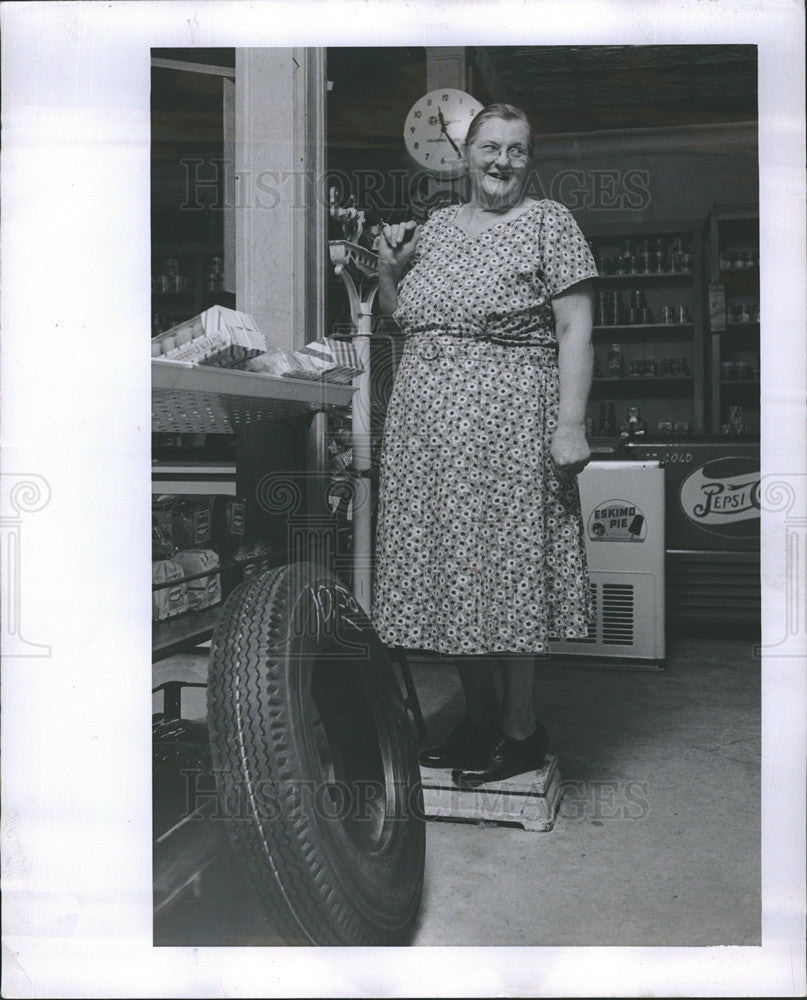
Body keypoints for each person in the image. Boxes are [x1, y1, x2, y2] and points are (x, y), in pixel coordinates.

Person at [372, 103, 597, 787]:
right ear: (465, 155)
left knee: (509, 570)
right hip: (426, 428)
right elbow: (399, 315)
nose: (502, 161)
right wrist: (388, 267)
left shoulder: (548, 223)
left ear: (529, 160)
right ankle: (476, 720)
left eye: (517, 150)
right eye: (490, 148)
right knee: (453, 574)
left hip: (508, 421)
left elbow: (575, 329)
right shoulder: (435, 228)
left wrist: (570, 423)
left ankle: (521, 731)